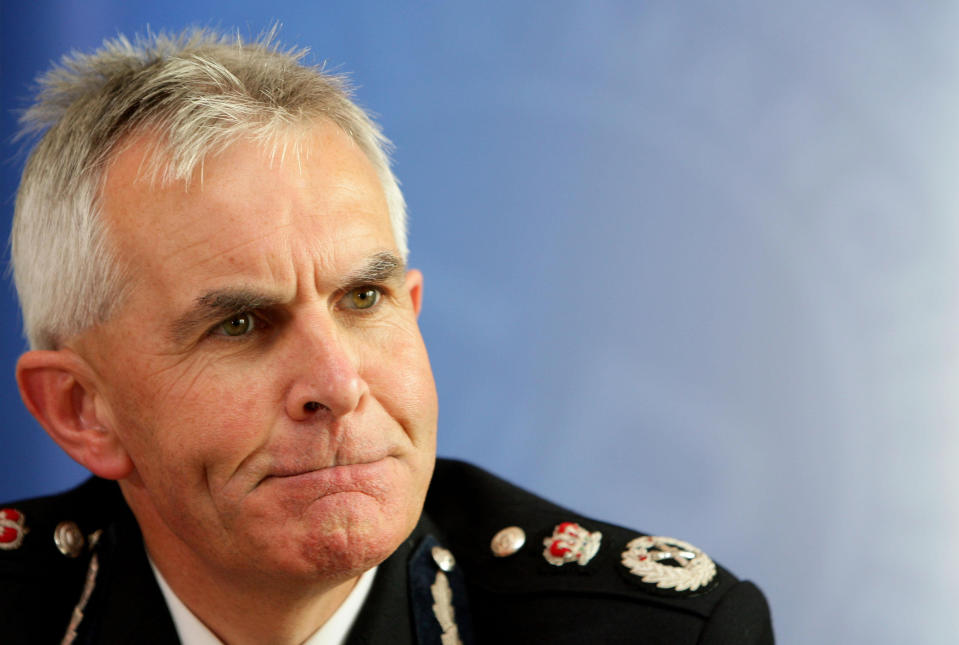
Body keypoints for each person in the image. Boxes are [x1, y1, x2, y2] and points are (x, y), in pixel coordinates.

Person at [0, 28, 774, 644]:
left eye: (363, 298)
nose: (338, 384)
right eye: (239, 324)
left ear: (410, 303)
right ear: (80, 408)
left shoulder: (653, 633)